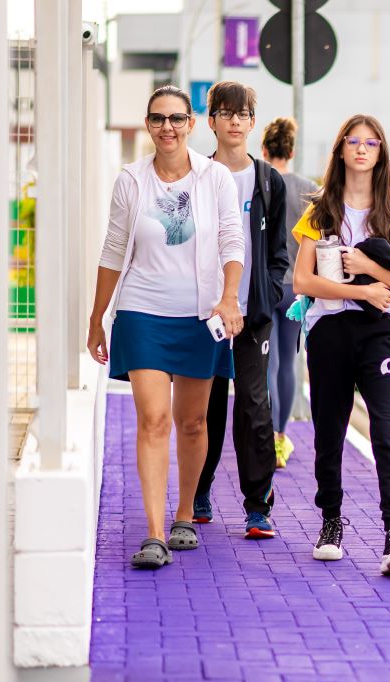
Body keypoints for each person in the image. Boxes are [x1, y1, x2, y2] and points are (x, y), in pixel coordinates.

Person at [87, 85, 244, 569]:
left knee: (193, 421)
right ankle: (154, 533)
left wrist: (228, 298)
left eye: (177, 119)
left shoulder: (215, 177)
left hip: (200, 316)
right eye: (158, 119)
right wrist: (97, 317)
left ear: (192, 124)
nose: (168, 128)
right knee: (153, 420)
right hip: (142, 312)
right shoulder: (131, 180)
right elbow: (114, 251)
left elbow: (231, 240)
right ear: (149, 124)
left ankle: (182, 516)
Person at [291, 114, 390, 577]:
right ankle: (331, 523)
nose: (363, 149)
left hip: (377, 334)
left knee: (387, 429)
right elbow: (302, 281)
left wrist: (371, 266)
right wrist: (361, 290)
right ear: (342, 150)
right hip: (329, 332)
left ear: (381, 153)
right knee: (328, 433)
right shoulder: (319, 212)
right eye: (355, 141)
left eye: (372, 143)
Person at [191, 81, 290, 539]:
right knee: (205, 409)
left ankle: (257, 506)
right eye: (225, 113)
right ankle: (199, 491)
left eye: (243, 113)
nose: (234, 120)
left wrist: (265, 295)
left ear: (253, 122)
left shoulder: (269, 181)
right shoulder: (196, 176)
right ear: (210, 121)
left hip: (253, 317)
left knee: (255, 407)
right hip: (205, 316)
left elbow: (278, 254)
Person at [262, 116, 318, 467]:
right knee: (290, 363)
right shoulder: (309, 189)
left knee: (269, 362)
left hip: (267, 285)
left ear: (264, 149)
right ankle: (282, 439)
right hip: (297, 288)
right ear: (292, 150)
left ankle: (267, 437)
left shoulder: (259, 183)